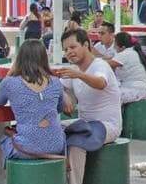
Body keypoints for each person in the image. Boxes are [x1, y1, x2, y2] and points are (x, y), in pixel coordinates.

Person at [57, 29, 122, 184]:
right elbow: (58, 86)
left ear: (86, 45)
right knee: (50, 130)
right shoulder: (75, 70)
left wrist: (78, 75)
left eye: (73, 47)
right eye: (66, 49)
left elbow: (101, 83)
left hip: (107, 126)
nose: (69, 52)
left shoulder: (100, 65)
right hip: (85, 124)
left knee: (75, 145)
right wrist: (65, 96)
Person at [0, 40, 66, 162]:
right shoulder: (55, 82)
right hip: (56, 146)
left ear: (19, 59)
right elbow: (59, 108)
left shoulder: (10, 82)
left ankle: (6, 179)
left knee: (3, 138)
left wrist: (9, 75)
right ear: (44, 58)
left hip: (27, 149)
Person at [107, 32, 146, 104]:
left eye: (115, 44)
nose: (114, 47)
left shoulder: (125, 54)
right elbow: (107, 59)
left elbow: (105, 64)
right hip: (145, 90)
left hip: (136, 91)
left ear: (122, 47)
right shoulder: (134, 52)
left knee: (106, 97)